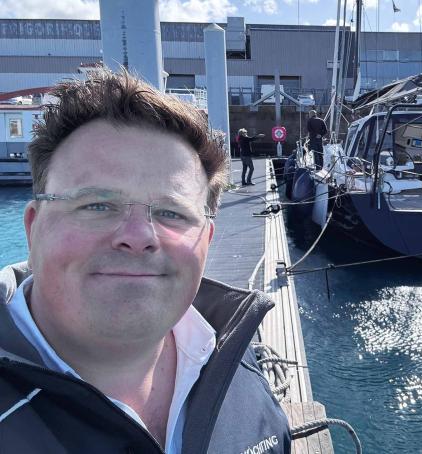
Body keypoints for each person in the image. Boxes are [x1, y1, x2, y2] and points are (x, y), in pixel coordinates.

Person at [0, 70, 291, 453]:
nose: (138, 237)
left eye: (172, 213)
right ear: (34, 227)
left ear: (206, 239)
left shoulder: (235, 359)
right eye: (96, 204)